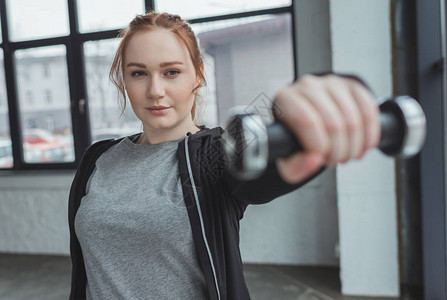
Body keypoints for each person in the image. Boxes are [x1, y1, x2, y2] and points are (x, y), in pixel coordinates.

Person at [68, 11, 380, 300]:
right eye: (139, 74)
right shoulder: (98, 158)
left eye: (171, 72)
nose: (155, 90)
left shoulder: (215, 154)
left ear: (198, 76)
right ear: (124, 79)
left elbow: (259, 174)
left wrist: (314, 114)